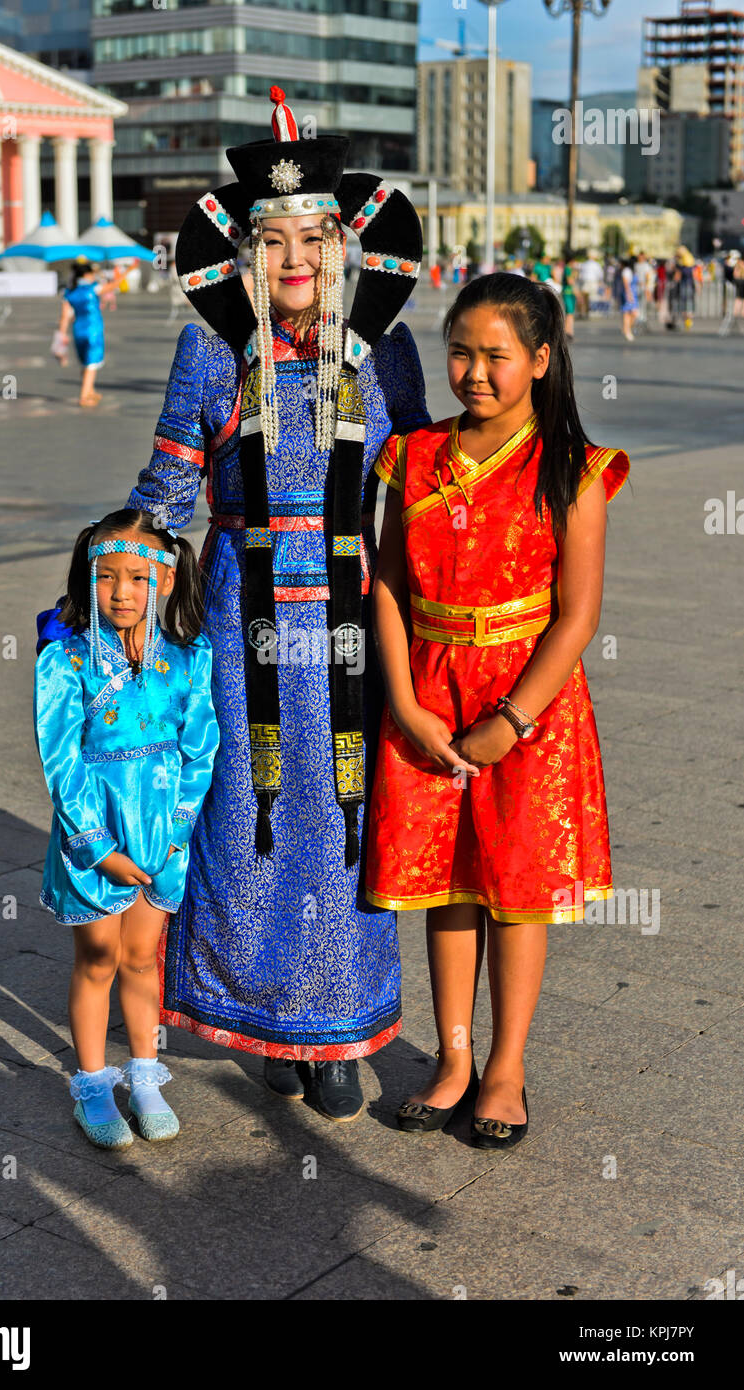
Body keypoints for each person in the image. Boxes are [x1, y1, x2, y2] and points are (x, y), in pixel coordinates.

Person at [118, 85, 431, 1121]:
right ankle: (253, 1014)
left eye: (315, 235)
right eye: (272, 240)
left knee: (346, 820)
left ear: (344, 242)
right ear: (244, 253)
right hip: (239, 615)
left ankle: (339, 1030)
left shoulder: (386, 348)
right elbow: (167, 481)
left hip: (351, 615)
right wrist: (113, 578)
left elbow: (423, 485)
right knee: (243, 821)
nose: (295, 260)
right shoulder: (211, 347)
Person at [364, 272, 629, 1145]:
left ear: (541, 361)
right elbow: (390, 586)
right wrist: (404, 704)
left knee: (515, 888)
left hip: (530, 703)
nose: (474, 372)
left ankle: (505, 1066)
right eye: (461, 353)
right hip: (429, 690)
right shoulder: (412, 456)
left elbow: (578, 616)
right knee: (445, 884)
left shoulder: (573, 470)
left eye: (496, 356)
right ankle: (450, 1058)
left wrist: (509, 719)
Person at [33, 508, 219, 1149]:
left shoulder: (192, 659)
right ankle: (91, 1082)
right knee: (99, 958)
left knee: (143, 958)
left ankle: (144, 1074)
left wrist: (176, 836)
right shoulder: (65, 659)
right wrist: (96, 846)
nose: (120, 592)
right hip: (97, 836)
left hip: (163, 834)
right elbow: (60, 758)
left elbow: (201, 751)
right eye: (106, 577)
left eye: (136, 578)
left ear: (163, 581)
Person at [56, 259, 125, 408]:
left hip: (78, 329)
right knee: (91, 363)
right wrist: (129, 270)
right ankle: (83, 396)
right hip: (93, 329)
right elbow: (113, 285)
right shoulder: (93, 288)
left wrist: (61, 335)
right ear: (87, 274)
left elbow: (64, 317)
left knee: (85, 361)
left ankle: (90, 391)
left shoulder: (69, 292)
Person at [618, 256, 639, 341]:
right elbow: (626, 283)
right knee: (627, 313)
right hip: (629, 293)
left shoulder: (632, 271)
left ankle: (626, 328)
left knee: (634, 313)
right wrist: (628, 294)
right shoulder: (626, 271)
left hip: (633, 292)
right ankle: (627, 330)